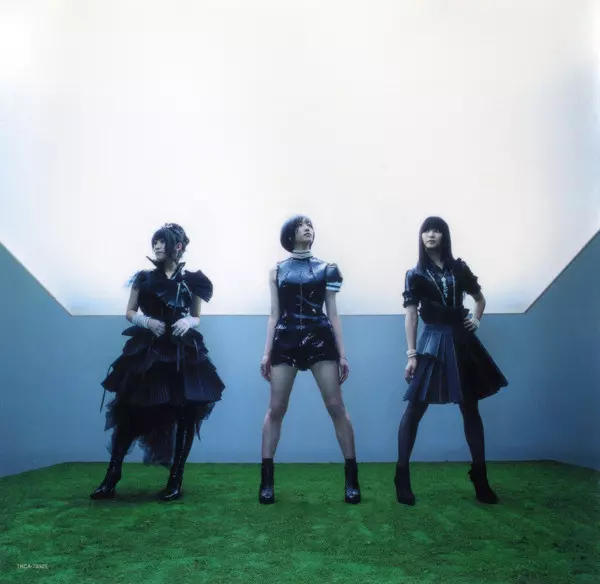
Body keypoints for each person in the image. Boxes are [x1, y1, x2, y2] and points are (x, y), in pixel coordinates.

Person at [90, 223, 225, 501]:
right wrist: (146, 321)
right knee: (129, 410)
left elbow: (196, 315)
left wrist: (189, 322)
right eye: (155, 242)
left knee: (186, 413)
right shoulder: (143, 278)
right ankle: (112, 476)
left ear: (178, 246)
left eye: (162, 241)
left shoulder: (193, 281)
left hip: (182, 353)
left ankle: (176, 479)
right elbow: (130, 311)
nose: (157, 246)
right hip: (149, 351)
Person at [395, 216, 508, 505]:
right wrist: (411, 354)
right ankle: (402, 476)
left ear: (445, 236)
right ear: (420, 237)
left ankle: (480, 477)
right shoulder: (415, 273)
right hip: (433, 341)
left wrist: (476, 320)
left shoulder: (459, 268)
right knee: (415, 408)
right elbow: (411, 316)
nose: (430, 235)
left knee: (471, 408)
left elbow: (479, 299)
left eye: (436, 230)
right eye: (426, 230)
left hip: (461, 341)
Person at [258, 215, 361, 504]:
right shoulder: (277, 270)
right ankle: (266, 480)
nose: (308, 228)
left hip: (320, 337)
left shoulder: (327, 269)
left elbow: (333, 313)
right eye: (301, 225)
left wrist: (342, 354)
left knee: (336, 406)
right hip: (286, 338)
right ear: (290, 234)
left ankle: (352, 479)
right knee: (276, 408)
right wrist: (266, 352)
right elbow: (274, 314)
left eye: (310, 225)